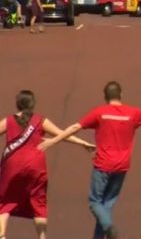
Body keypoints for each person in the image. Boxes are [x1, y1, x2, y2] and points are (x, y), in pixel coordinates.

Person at [37, 81, 141, 239]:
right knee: (106, 205)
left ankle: (109, 228)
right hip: (122, 167)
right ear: (121, 94)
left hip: (102, 165)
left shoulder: (100, 113)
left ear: (105, 96)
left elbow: (75, 127)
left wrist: (53, 141)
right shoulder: (133, 113)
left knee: (95, 202)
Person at [0, 90, 95, 239]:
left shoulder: (8, 121)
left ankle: (2, 235)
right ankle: (42, 237)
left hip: (12, 166)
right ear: (32, 104)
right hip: (36, 166)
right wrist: (82, 142)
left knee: (5, 201)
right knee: (39, 204)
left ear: (17, 104)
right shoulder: (40, 120)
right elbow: (61, 134)